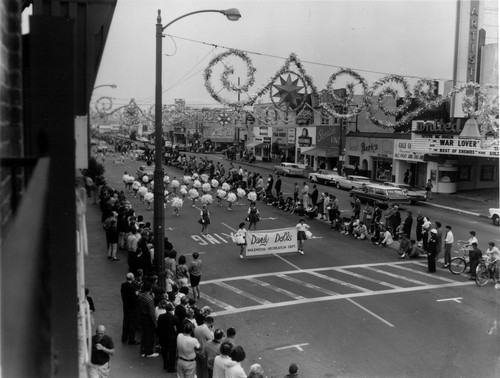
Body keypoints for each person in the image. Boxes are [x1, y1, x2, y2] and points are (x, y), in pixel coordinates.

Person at [138, 282, 159, 358]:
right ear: (150, 289)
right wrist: (155, 322)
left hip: (141, 316)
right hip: (148, 318)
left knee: (143, 335)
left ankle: (143, 351)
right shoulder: (149, 299)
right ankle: (149, 352)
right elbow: (152, 312)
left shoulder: (140, 296)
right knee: (149, 335)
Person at [157, 302, 178, 373]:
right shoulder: (174, 318)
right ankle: (171, 367)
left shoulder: (161, 316)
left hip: (163, 336)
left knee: (164, 351)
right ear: (171, 309)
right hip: (171, 337)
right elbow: (176, 328)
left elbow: (158, 327)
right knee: (172, 353)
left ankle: (165, 364)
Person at [120, 273, 139, 345]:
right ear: (132, 278)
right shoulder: (132, 287)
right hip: (132, 307)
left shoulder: (123, 285)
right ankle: (131, 339)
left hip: (126, 306)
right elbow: (134, 298)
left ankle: (124, 337)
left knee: (126, 321)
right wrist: (136, 295)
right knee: (132, 323)